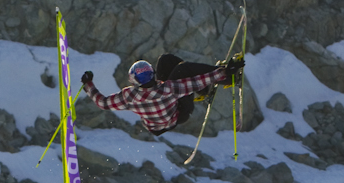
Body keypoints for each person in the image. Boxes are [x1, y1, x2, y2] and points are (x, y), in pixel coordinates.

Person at [80, 54, 243, 135]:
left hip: (156, 127)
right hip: (178, 115)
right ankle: (229, 80)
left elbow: (102, 103)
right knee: (182, 70)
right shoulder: (170, 89)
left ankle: (205, 91)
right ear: (153, 75)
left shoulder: (129, 96)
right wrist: (226, 72)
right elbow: (197, 80)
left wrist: (88, 84)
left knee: (165, 60)